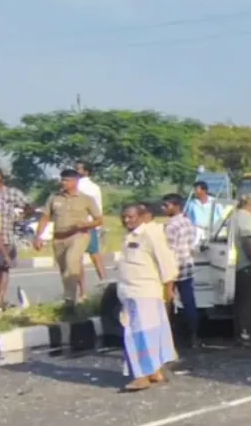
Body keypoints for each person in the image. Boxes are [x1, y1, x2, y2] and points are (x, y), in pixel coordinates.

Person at [115, 202, 179, 392]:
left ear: (143, 217)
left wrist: (169, 289)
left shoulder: (151, 234)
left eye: (131, 216)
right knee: (150, 333)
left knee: (139, 335)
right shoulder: (131, 236)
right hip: (131, 293)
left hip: (145, 293)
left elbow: (166, 262)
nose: (126, 220)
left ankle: (141, 376)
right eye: (124, 217)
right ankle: (154, 372)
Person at [34, 169, 103, 308]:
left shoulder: (86, 199)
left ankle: (69, 300)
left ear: (75, 181)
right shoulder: (54, 198)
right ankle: (71, 296)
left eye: (66, 180)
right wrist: (38, 236)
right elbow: (45, 217)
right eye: (62, 179)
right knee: (64, 268)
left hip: (78, 235)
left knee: (72, 263)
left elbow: (99, 220)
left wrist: (86, 224)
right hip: (59, 238)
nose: (63, 182)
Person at [0, 166, 31, 309]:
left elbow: (28, 206)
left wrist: (21, 218)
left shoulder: (11, 193)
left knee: (2, 268)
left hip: (5, 237)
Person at [161, 194, 199, 350]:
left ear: (176, 206)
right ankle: (194, 336)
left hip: (173, 268)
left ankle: (167, 337)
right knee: (189, 302)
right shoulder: (189, 223)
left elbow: (168, 250)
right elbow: (191, 244)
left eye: (167, 205)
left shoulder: (171, 226)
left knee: (167, 302)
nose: (164, 208)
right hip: (187, 265)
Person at [231, 194, 251, 346]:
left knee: (240, 302)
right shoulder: (246, 218)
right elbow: (246, 242)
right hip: (246, 265)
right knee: (248, 303)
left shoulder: (235, 216)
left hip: (237, 265)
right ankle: (247, 335)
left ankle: (241, 334)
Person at [74, 161, 108, 297]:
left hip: (86, 224)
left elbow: (96, 206)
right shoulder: (94, 187)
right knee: (90, 256)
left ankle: (84, 292)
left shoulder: (84, 186)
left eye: (79, 168)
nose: (77, 170)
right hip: (88, 224)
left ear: (86, 171)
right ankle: (103, 285)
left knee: (89, 256)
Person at [184, 181, 224, 246]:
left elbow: (222, 216)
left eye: (197, 190)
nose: (195, 192)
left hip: (214, 231)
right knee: (194, 249)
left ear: (204, 190)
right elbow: (189, 218)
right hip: (198, 231)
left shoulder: (215, 202)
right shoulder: (192, 203)